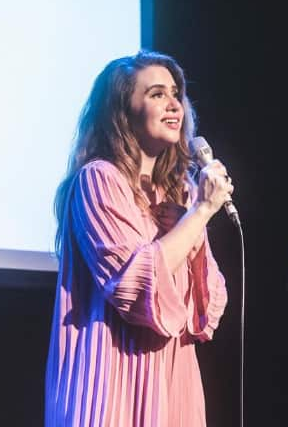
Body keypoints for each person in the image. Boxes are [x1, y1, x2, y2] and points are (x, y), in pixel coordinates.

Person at [44, 50, 230, 426]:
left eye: (176, 93)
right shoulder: (98, 179)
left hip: (172, 387)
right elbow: (135, 287)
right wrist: (201, 214)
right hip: (113, 385)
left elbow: (207, 312)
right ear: (122, 112)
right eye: (156, 94)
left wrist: (194, 225)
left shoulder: (179, 196)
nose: (173, 104)